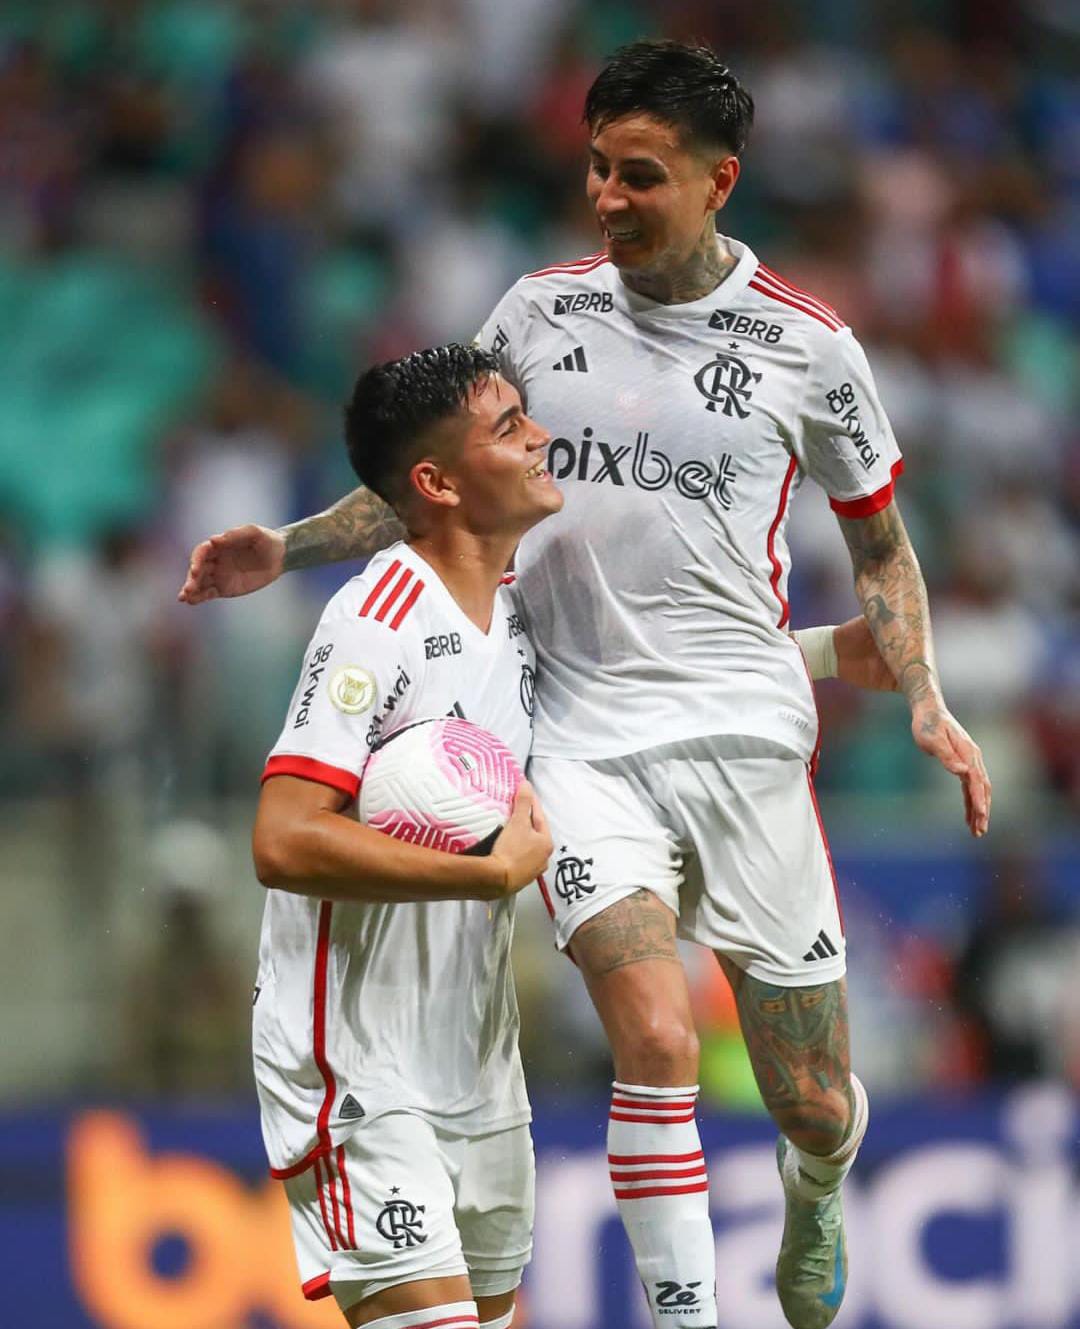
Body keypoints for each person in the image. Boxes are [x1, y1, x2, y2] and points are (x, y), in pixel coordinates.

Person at [181, 40, 992, 1329]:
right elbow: (432, 473)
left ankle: (818, 1183)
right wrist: (284, 547)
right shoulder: (538, 310)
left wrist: (930, 693)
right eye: (597, 171)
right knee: (657, 1037)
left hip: (744, 735)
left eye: (640, 177)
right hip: (574, 733)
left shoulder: (811, 351)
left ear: (719, 182)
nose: (607, 199)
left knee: (815, 1098)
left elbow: (882, 550)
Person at [250, 344, 556, 1329]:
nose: (541, 438)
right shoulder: (375, 616)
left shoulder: (519, 614)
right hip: (356, 1064)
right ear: (436, 482)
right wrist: (481, 877)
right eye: (509, 430)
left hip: (475, 1058)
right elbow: (284, 839)